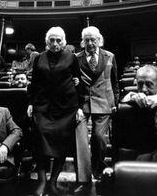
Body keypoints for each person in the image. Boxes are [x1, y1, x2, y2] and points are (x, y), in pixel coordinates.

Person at [27, 26, 83, 196]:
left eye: (58, 40)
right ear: (47, 41)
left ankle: (53, 182)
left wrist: (80, 107)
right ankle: (42, 181)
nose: (55, 43)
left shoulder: (71, 57)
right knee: (40, 141)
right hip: (43, 106)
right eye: (52, 39)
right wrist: (31, 103)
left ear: (64, 42)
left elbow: (78, 81)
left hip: (66, 108)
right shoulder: (39, 58)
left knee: (62, 144)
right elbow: (34, 83)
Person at [74, 26, 119, 193]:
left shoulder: (110, 56)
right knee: (81, 141)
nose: (90, 43)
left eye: (93, 39)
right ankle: (83, 180)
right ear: (82, 42)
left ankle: (98, 169)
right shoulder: (75, 58)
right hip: (82, 103)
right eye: (87, 40)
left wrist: (115, 101)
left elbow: (114, 82)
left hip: (104, 101)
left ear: (99, 40)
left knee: (99, 139)